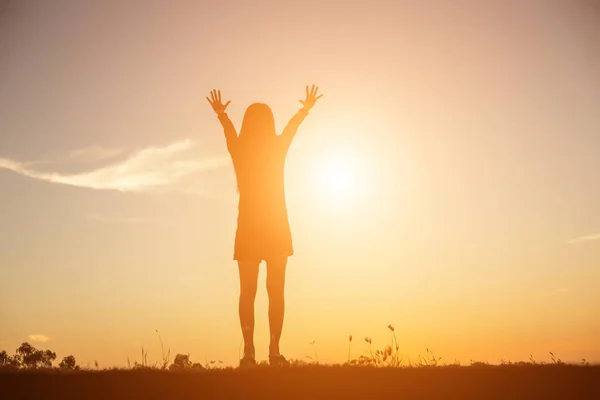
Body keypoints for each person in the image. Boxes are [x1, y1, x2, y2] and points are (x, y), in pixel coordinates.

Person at [207, 85, 323, 367]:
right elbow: (292, 128)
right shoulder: (277, 148)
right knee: (275, 291)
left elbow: (229, 133)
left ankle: (249, 353)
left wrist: (222, 115)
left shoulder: (241, 151)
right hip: (275, 226)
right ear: (269, 124)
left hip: (249, 227)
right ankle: (273, 352)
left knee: (248, 293)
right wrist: (305, 109)